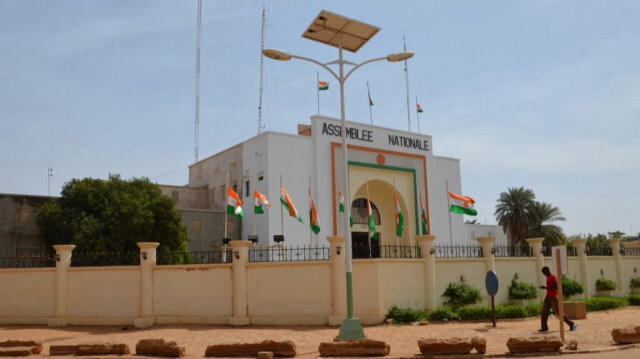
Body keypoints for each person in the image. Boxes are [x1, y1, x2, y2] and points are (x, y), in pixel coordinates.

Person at [538, 266, 577, 332]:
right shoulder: (548, 278)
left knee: (559, 313)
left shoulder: (552, 277)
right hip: (548, 297)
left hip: (553, 297)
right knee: (544, 312)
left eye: (544, 272)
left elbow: (555, 286)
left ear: (547, 271)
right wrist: (546, 288)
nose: (543, 274)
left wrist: (546, 288)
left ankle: (571, 323)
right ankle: (544, 327)